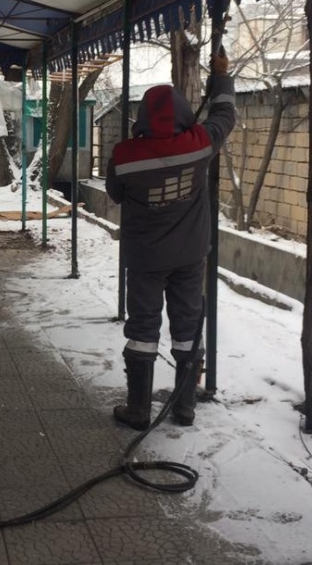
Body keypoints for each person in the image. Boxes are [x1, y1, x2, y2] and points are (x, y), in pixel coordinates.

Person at [105, 50, 235, 429]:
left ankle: (138, 411)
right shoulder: (200, 144)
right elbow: (225, 116)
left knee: (143, 329)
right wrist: (221, 77)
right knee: (188, 326)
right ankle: (184, 407)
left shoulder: (124, 156)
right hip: (189, 257)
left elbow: (115, 193)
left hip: (145, 259)